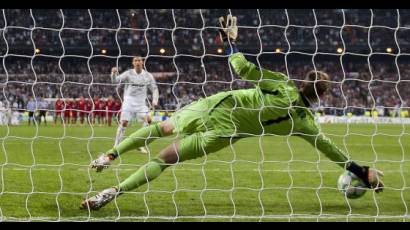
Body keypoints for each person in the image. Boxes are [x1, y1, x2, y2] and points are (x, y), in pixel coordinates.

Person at [81, 15, 384, 211]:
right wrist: (360, 171)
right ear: (322, 96)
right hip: (224, 134)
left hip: (214, 107)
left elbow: (242, 68)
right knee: (163, 159)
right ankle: (114, 192)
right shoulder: (306, 123)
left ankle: (110, 155)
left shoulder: (280, 85)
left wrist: (229, 42)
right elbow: (329, 150)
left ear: (302, 81)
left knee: (162, 128)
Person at [110, 56, 159, 153]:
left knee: (148, 120)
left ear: (142, 62)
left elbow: (154, 88)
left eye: (139, 60)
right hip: (129, 101)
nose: (137, 62)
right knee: (124, 123)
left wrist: (155, 100)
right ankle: (116, 146)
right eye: (135, 60)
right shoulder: (128, 73)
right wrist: (114, 73)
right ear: (133, 63)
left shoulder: (148, 75)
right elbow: (115, 81)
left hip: (141, 103)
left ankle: (139, 143)